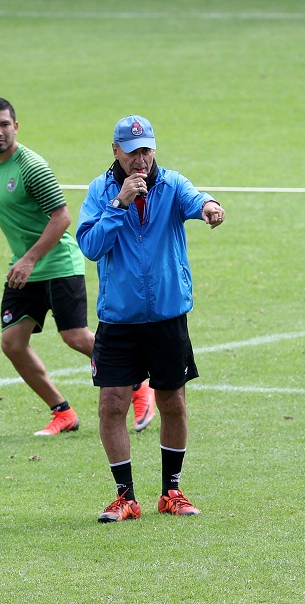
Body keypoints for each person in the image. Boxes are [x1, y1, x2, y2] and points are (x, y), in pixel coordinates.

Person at [0, 97, 155, 437]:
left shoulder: (31, 167)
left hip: (58, 263)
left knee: (74, 336)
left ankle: (139, 384)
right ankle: (63, 412)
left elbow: (63, 217)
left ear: (16, 126)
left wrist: (30, 258)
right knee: (12, 343)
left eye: (4, 124)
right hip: (24, 268)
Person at [76, 115, 225, 523]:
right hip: (119, 319)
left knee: (173, 402)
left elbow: (196, 198)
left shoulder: (172, 184)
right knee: (111, 406)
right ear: (116, 151)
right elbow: (89, 245)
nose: (141, 159)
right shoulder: (100, 191)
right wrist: (119, 204)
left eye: (147, 150)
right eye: (132, 151)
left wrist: (210, 206)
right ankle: (125, 497)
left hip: (166, 317)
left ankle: (171, 491)